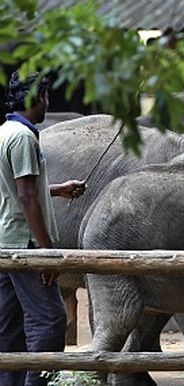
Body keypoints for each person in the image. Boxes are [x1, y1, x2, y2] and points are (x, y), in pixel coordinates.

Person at [0, 71, 86, 386]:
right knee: (49, 322)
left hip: (5, 242)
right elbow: (24, 195)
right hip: (24, 245)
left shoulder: (4, 131)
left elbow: (13, 188)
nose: (47, 104)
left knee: (9, 326)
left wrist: (59, 188)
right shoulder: (24, 137)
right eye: (46, 97)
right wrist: (47, 250)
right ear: (36, 99)